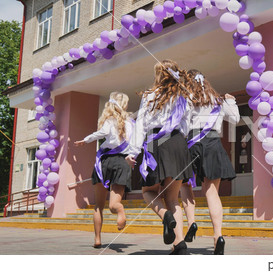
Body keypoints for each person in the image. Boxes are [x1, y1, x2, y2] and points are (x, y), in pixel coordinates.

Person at [126, 60, 193, 255]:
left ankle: (164, 216)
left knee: (148, 191)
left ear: (158, 75)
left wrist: (133, 152)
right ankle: (179, 244)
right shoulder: (182, 96)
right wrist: (181, 141)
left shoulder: (149, 96)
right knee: (173, 198)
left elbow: (141, 125)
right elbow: (187, 124)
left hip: (156, 142)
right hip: (178, 142)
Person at [180, 69, 240, 255]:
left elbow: (182, 125)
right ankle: (218, 236)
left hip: (192, 144)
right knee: (212, 192)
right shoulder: (218, 100)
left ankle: (191, 222)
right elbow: (236, 119)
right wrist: (231, 101)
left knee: (184, 185)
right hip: (213, 144)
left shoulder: (187, 99)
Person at [74, 92, 134, 248]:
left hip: (105, 162)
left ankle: (97, 239)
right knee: (114, 203)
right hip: (122, 162)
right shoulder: (131, 123)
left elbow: (100, 134)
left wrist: (85, 140)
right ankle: (119, 209)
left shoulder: (110, 121)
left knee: (98, 205)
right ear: (124, 105)